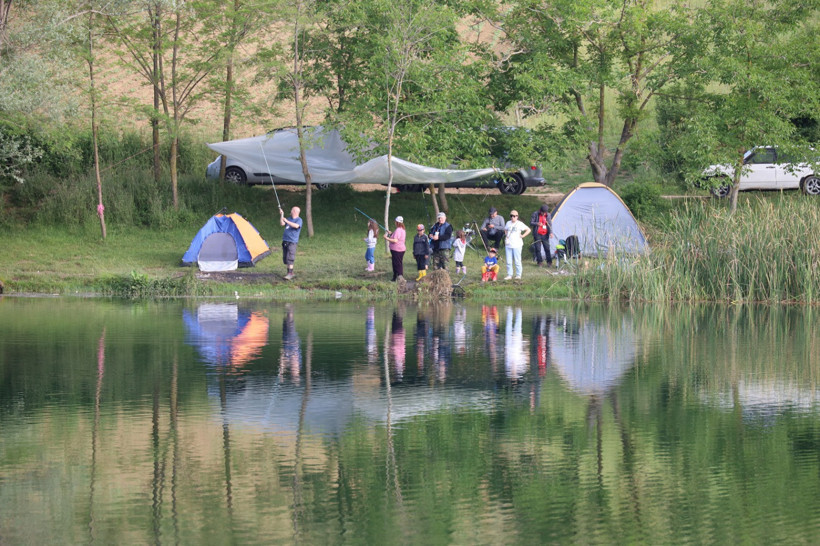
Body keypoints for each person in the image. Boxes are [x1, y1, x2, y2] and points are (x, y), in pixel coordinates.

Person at [503, 210, 531, 280]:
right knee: (508, 261)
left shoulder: (520, 224)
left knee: (517, 260)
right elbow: (505, 229)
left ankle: (518, 274)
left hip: (517, 245)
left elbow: (528, 230)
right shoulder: (508, 223)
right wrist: (506, 235)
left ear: (517, 217)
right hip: (508, 244)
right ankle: (509, 274)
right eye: (511, 216)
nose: (513, 217)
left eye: (514, 216)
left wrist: (523, 236)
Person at [280, 206, 302, 280]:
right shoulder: (289, 218)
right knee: (286, 257)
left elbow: (296, 226)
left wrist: (287, 221)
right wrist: (282, 215)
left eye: (292, 210)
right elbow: (282, 224)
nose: (291, 211)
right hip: (285, 240)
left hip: (292, 241)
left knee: (290, 257)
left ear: (295, 211)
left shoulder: (299, 220)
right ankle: (289, 273)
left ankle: (290, 274)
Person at [384, 215, 406, 281]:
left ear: (397, 222)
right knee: (396, 263)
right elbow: (396, 238)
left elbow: (395, 240)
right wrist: (391, 234)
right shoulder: (402, 229)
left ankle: (400, 278)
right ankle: (395, 277)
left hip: (397, 250)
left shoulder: (398, 230)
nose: (394, 222)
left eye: (395, 221)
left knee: (397, 264)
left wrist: (386, 238)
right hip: (399, 250)